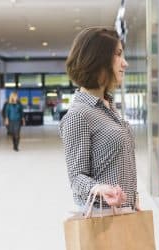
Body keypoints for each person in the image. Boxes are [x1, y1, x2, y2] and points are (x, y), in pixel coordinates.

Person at [59, 27, 140, 213]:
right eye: (118, 54)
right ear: (98, 60)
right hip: (102, 218)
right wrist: (100, 189)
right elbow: (77, 177)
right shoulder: (79, 115)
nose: (125, 63)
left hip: (125, 213)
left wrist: (133, 199)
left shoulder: (108, 106)